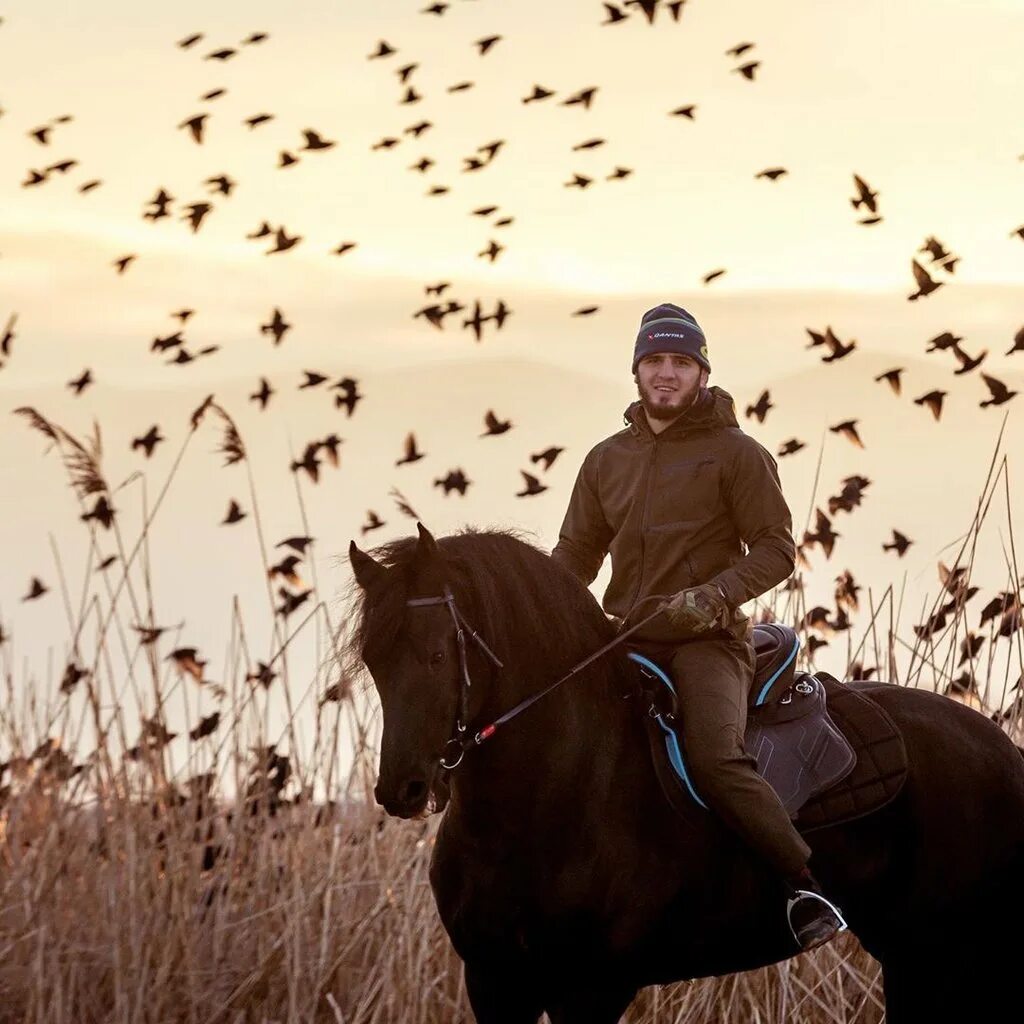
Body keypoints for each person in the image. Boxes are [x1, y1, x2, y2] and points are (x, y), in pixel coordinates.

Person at [549, 301, 847, 952]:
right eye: (654, 360)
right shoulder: (604, 460)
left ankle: (804, 885)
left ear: (702, 374)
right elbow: (575, 556)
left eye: (681, 362)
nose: (666, 373)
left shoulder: (738, 454)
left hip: (706, 641)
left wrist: (711, 598)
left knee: (714, 757)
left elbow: (775, 548)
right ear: (636, 372)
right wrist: (539, 613)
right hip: (622, 633)